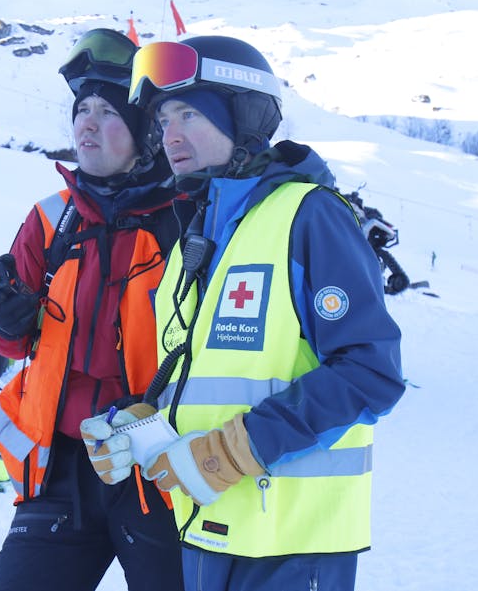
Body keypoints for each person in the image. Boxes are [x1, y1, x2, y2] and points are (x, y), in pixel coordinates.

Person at [82, 36, 405, 591]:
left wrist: (237, 448)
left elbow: (370, 372)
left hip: (292, 543)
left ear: (243, 115)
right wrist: (140, 421)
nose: (170, 135)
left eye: (188, 113)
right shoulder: (195, 238)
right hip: (208, 533)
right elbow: (202, 378)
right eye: (163, 120)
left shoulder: (310, 216)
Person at [0, 28, 185, 591]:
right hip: (63, 465)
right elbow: (9, 346)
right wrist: (3, 320)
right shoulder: (51, 219)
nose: (87, 124)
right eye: (81, 110)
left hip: (157, 471)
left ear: (145, 134)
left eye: (107, 111)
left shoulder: (186, 221)